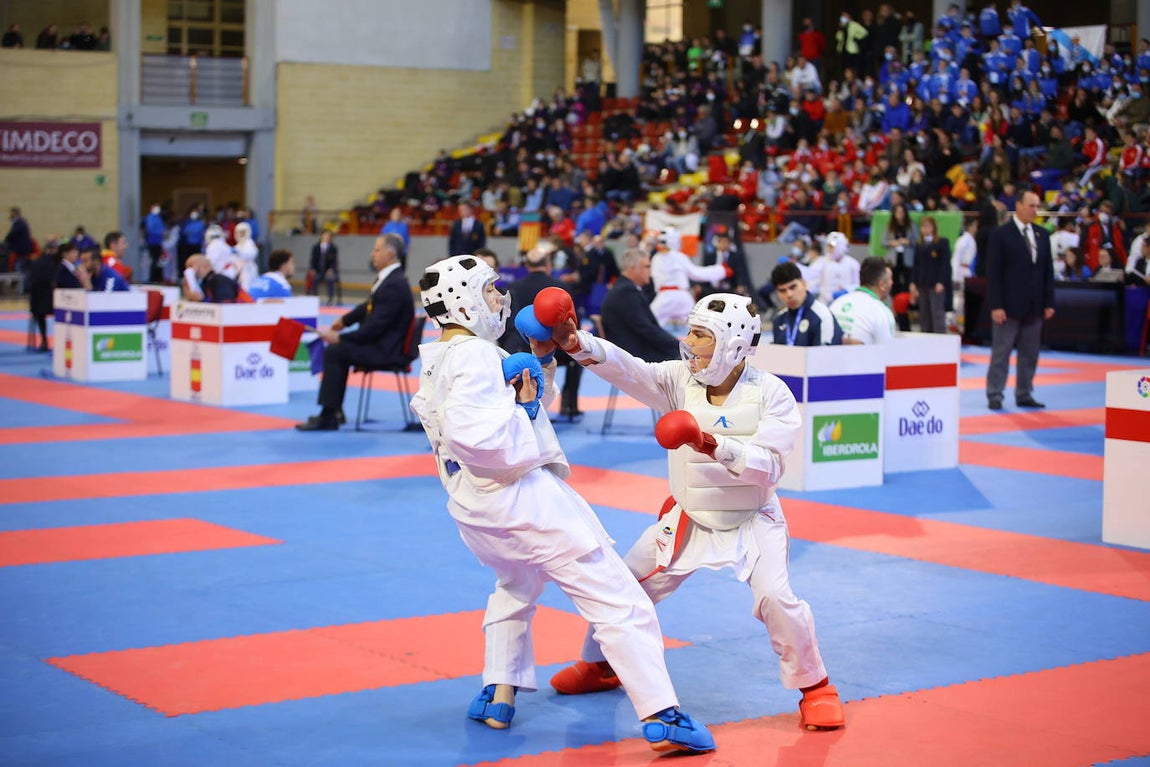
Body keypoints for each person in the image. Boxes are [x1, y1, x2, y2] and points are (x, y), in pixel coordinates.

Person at [409, 255, 715, 755]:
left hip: (475, 511)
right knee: (621, 599)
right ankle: (662, 714)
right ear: (462, 299)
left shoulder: (440, 357)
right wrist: (525, 404)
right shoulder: (475, 356)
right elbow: (484, 442)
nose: (498, 300)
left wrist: (539, 365)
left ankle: (498, 693)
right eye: (488, 292)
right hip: (521, 501)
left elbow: (504, 415)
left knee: (515, 586)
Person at [542, 290, 846, 733]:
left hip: (752, 517)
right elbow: (630, 370)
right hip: (689, 516)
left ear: (733, 343)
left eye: (700, 336)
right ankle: (601, 666)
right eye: (690, 333)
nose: (689, 344)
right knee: (620, 588)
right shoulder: (679, 379)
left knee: (776, 598)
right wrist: (576, 344)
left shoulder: (772, 394)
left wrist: (707, 442)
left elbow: (772, 466)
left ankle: (816, 686)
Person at [296, 234, 414, 431]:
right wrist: (345, 320)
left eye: (376, 250)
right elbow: (368, 306)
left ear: (390, 254)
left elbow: (375, 328)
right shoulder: (390, 279)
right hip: (384, 343)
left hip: (387, 350)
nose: (372, 254)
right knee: (337, 349)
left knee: (335, 351)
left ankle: (328, 415)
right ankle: (333, 411)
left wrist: (340, 337)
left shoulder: (394, 283)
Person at [985, 190, 1054, 411]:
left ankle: (1025, 392)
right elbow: (993, 273)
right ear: (1018, 205)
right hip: (1007, 305)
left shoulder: (1042, 235)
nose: (1035, 210)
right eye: (1031, 206)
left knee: (1030, 354)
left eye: (1037, 206)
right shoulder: (1001, 234)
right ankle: (995, 393)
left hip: (1034, 305)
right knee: (1001, 353)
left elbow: (1047, 272)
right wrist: (996, 305)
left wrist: (1049, 302)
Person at [497, 244, 584, 421]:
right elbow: (574, 324)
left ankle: (520, 400)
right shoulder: (561, 287)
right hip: (560, 350)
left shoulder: (512, 287)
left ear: (527, 266)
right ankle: (569, 406)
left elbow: (508, 324)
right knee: (577, 360)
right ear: (548, 265)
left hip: (521, 349)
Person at [600, 248, 680, 362]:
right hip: (634, 356)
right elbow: (646, 328)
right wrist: (679, 347)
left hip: (633, 350)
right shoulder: (626, 292)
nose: (650, 271)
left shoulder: (625, 288)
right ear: (632, 269)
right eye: (647, 267)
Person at [649, 227, 728, 335]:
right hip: (682, 297)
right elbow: (697, 273)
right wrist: (721, 270)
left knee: (649, 325)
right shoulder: (679, 257)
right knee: (697, 328)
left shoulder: (655, 258)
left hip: (664, 298)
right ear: (673, 241)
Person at [770, 261, 843, 345]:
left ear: (804, 284)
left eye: (793, 287)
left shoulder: (822, 316)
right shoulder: (779, 319)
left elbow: (825, 355)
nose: (789, 295)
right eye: (782, 291)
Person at [830, 257, 897, 344]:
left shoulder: (837, 303)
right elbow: (888, 352)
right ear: (882, 285)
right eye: (890, 279)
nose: (892, 283)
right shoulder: (882, 312)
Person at [910, 216, 952, 334]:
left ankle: (939, 340)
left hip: (936, 283)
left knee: (937, 313)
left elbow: (945, 265)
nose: (926, 229)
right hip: (922, 283)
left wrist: (941, 282)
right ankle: (926, 339)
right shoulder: (919, 245)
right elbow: (916, 265)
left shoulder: (942, 243)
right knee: (924, 314)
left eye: (928, 226)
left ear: (934, 228)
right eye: (923, 226)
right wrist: (913, 283)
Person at [818, 231, 861, 304]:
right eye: (828, 246)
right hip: (825, 303)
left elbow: (858, 285)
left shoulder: (853, 264)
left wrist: (847, 290)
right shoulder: (822, 262)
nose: (829, 249)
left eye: (832, 247)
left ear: (840, 246)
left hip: (845, 303)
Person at [308, 230, 339, 304]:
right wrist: (312, 269)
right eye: (325, 236)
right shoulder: (315, 247)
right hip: (318, 271)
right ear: (321, 236)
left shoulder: (333, 248)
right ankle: (315, 298)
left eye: (328, 236)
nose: (326, 237)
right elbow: (313, 260)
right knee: (314, 278)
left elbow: (334, 261)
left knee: (330, 279)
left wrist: (331, 269)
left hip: (328, 272)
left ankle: (330, 299)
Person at [5, 207, 33, 274]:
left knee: (20, 268)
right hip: (21, 250)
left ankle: (22, 283)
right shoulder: (21, 222)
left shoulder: (19, 223)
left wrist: (6, 240)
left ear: (15, 213)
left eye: (12, 213)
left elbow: (12, 234)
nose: (10, 215)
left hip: (21, 250)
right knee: (20, 266)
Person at [232, 221, 259, 289]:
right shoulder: (238, 245)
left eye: (243, 232)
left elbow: (251, 254)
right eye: (239, 232)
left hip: (248, 271)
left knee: (248, 289)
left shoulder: (249, 243)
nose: (241, 234)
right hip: (239, 271)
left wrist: (238, 253)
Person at [143, 204, 166, 283]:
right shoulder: (150, 218)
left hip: (158, 242)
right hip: (152, 242)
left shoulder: (158, 218)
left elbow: (162, 228)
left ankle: (156, 277)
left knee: (158, 261)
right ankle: (152, 278)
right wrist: (160, 233)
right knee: (154, 260)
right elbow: (150, 229)